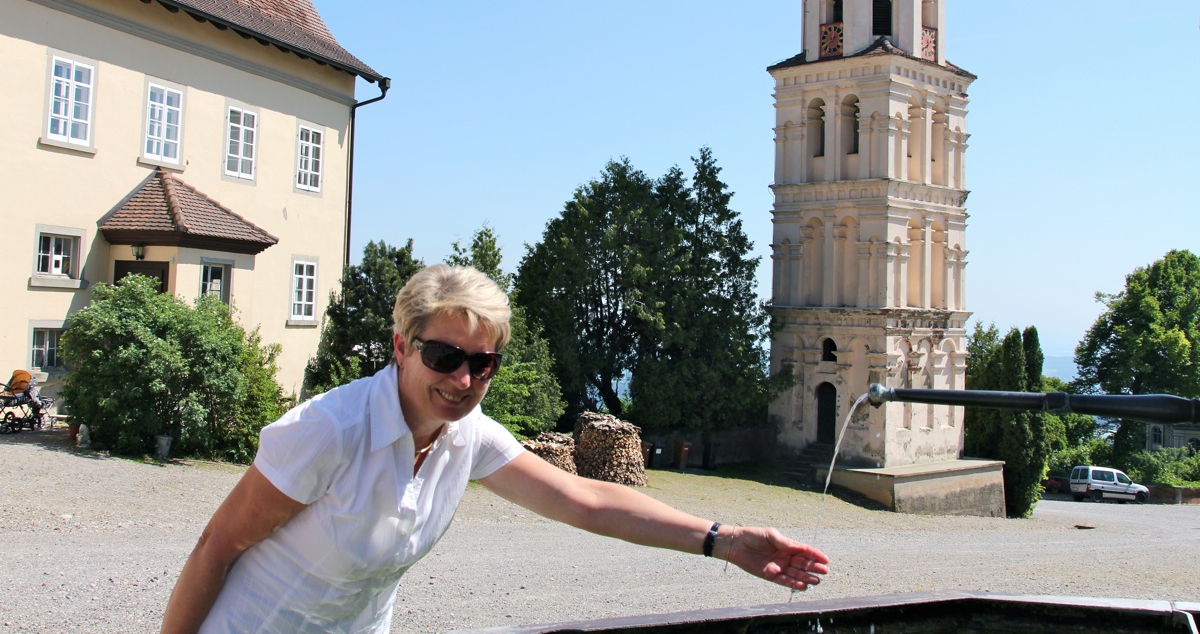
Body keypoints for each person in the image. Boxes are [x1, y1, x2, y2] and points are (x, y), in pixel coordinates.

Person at [160, 264, 829, 633]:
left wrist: (724, 540)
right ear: (401, 347)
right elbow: (216, 546)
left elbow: (587, 500)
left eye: (483, 364)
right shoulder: (330, 430)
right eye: (444, 356)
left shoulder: (466, 434)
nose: (463, 380)